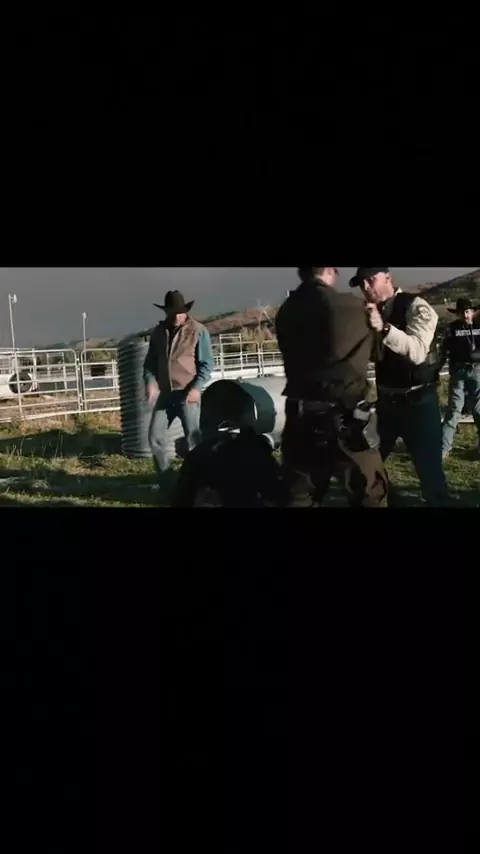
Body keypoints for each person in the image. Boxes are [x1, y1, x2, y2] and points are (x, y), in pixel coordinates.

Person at [275, 266, 389, 508]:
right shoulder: (354, 307)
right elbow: (378, 353)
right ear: (328, 270)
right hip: (347, 417)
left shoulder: (287, 310)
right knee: (368, 494)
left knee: (299, 495)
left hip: (301, 413)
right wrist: (378, 325)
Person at [349, 266, 451, 507]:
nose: (365, 288)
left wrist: (384, 329)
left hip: (419, 402)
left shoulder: (417, 306)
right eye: (361, 284)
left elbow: (417, 351)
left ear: (388, 277)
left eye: (370, 280)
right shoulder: (369, 313)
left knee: (430, 471)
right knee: (368, 464)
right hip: (385, 402)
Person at [143, 290, 215, 483]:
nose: (177, 316)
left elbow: (207, 364)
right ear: (166, 312)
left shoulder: (198, 331)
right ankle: (166, 481)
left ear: (186, 312)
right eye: (173, 312)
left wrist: (196, 387)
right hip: (166, 394)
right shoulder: (158, 332)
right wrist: (150, 382)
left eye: (180, 313)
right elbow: (150, 363)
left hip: (187, 393)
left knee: (193, 439)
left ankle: (198, 483)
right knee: (155, 437)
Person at [441, 297, 480, 460]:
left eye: (468, 311)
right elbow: (444, 350)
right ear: (457, 314)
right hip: (459, 371)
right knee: (454, 409)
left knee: (478, 409)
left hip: (477, 370)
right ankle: (444, 448)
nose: (465, 315)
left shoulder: (479, 326)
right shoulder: (452, 329)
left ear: (472, 312)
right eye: (462, 312)